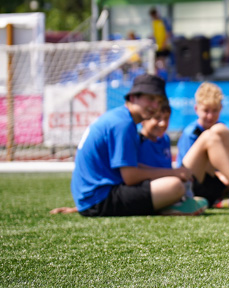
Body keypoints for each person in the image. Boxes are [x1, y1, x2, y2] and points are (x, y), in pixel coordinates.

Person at [67, 74, 204, 217]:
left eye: (158, 101)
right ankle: (168, 206)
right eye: (151, 99)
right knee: (174, 186)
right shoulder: (123, 124)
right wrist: (174, 173)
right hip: (99, 200)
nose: (155, 106)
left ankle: (167, 203)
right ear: (132, 98)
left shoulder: (120, 118)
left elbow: (130, 169)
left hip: (93, 198)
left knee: (173, 184)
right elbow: (130, 177)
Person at [176, 82, 229, 212]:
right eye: (206, 111)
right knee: (210, 136)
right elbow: (186, 170)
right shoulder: (190, 132)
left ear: (221, 108)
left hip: (214, 183)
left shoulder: (221, 128)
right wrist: (223, 176)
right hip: (190, 183)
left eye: (214, 110)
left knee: (220, 129)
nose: (210, 116)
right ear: (196, 109)